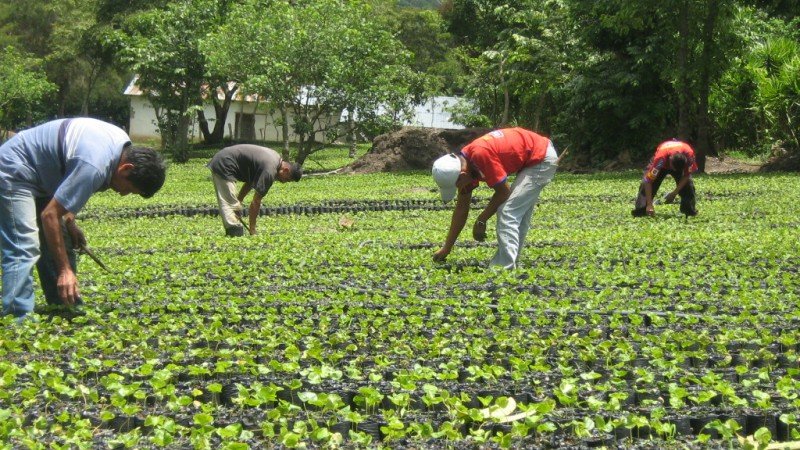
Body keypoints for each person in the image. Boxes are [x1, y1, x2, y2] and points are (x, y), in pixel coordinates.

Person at [0, 118, 166, 321]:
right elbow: (50, 215)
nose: (123, 194)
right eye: (129, 190)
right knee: (23, 244)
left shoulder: (121, 147)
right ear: (126, 169)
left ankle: (64, 305)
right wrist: (64, 270)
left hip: (44, 175)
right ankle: (17, 316)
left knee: (61, 235)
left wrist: (70, 222)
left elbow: (70, 188)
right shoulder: (95, 164)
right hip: (15, 169)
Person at [431, 127, 558, 269]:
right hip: (532, 157)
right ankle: (511, 262)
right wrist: (447, 247)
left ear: (461, 176)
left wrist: (481, 220)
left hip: (541, 157)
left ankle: (504, 269)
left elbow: (504, 192)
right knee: (517, 214)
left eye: (456, 186)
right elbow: (461, 209)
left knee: (507, 212)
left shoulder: (480, 155)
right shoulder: (464, 165)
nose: (459, 189)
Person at [207, 144, 302, 237]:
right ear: (285, 170)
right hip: (224, 163)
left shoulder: (276, 158)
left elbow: (250, 182)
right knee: (229, 204)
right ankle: (234, 233)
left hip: (225, 159)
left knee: (234, 204)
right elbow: (256, 201)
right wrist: (252, 229)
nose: (283, 182)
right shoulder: (269, 171)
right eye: (287, 179)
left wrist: (239, 200)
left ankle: (235, 231)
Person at [632, 139, 698, 217]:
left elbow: (686, 175)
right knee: (645, 184)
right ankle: (642, 211)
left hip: (678, 161)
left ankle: (689, 211)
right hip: (663, 161)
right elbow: (648, 181)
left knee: (688, 185)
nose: (673, 171)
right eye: (673, 168)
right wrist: (649, 204)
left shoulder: (689, 156)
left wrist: (674, 193)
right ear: (670, 161)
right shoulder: (660, 159)